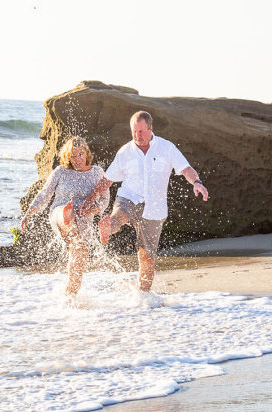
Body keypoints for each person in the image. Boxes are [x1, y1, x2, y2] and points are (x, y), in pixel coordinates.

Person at [78, 111, 209, 292]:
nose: (137, 136)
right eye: (134, 132)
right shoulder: (125, 152)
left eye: (141, 132)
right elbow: (107, 180)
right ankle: (108, 227)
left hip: (155, 207)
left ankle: (143, 297)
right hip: (129, 197)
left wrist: (197, 183)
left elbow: (185, 168)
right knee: (119, 215)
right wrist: (89, 200)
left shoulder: (166, 148)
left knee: (147, 257)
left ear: (150, 129)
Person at [20, 136, 110, 296]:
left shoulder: (97, 172)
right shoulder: (61, 171)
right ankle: (67, 216)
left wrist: (93, 210)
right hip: (59, 212)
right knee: (64, 213)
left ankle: (70, 295)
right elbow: (45, 194)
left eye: (80, 155)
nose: (77, 159)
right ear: (67, 157)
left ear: (86, 153)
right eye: (73, 156)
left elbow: (105, 199)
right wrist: (29, 213)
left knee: (79, 255)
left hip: (83, 219)